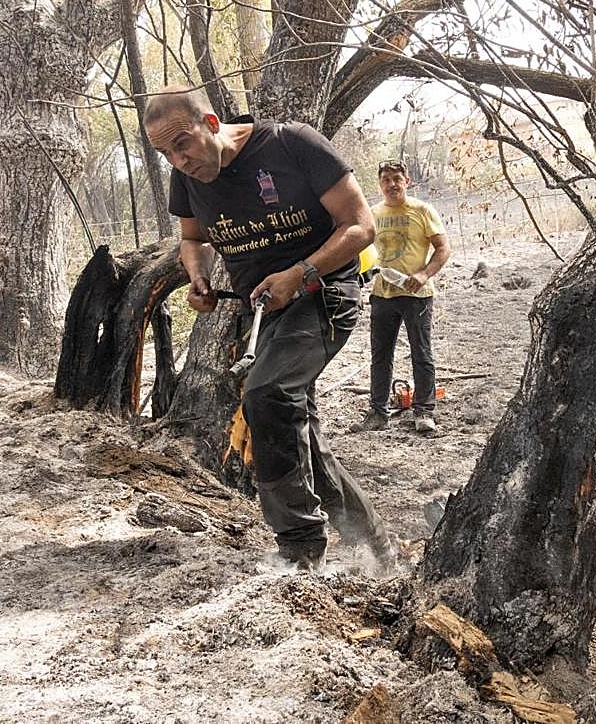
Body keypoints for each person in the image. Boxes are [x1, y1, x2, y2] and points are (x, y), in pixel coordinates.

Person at [143, 84, 393, 572]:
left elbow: (361, 226)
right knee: (300, 438)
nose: (178, 159)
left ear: (211, 124)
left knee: (266, 397)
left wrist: (301, 274)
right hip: (266, 310)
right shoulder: (187, 177)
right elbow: (192, 239)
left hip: (326, 293)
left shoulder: (291, 144)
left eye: (183, 143)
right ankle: (375, 546)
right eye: (164, 153)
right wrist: (197, 277)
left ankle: (300, 546)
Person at [352, 160, 451, 435]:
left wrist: (424, 274)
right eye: (386, 179)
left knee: (422, 353)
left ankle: (424, 412)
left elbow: (443, 248)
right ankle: (378, 412)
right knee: (380, 355)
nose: (392, 184)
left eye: (397, 178)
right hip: (382, 294)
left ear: (407, 181)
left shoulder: (422, 210)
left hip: (416, 295)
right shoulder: (372, 214)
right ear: (379, 184)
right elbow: (359, 254)